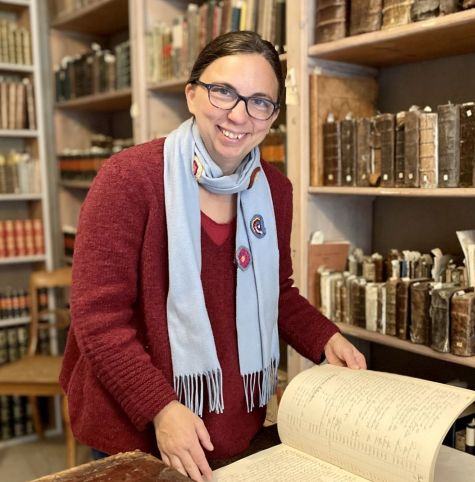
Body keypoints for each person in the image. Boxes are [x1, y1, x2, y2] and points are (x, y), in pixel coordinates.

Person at [59, 31, 366, 482]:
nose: (239, 115)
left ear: (273, 115)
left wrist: (326, 339)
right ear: (191, 94)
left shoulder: (274, 191)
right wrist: (161, 408)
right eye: (223, 92)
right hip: (133, 424)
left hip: (232, 421)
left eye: (260, 101)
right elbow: (98, 320)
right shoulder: (128, 179)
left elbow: (276, 293)